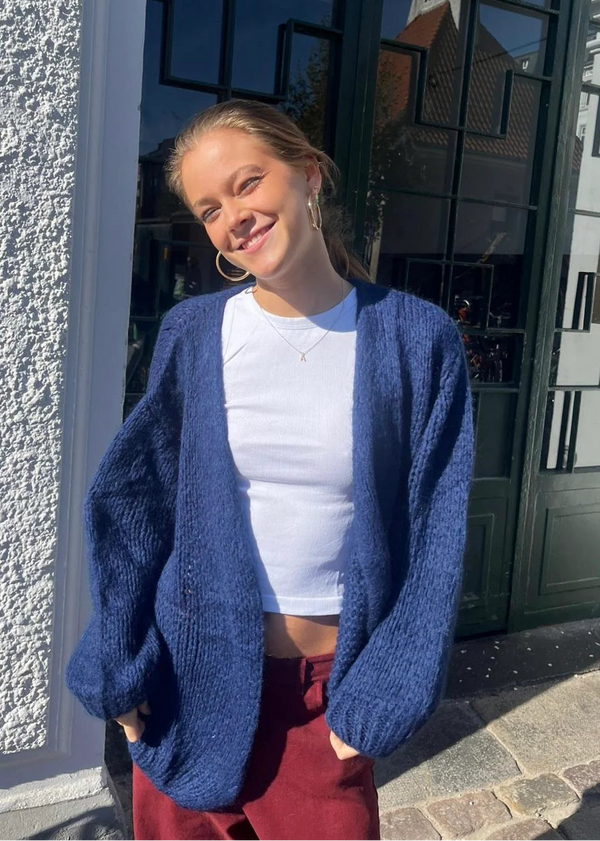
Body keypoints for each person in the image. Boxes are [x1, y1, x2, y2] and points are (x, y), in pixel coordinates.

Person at [65, 99, 474, 840]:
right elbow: (135, 501)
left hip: (322, 704)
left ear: (308, 176)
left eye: (248, 183)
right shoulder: (194, 332)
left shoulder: (417, 339)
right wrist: (117, 661)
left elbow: (435, 532)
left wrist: (384, 690)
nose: (234, 216)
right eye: (210, 207)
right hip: (187, 684)